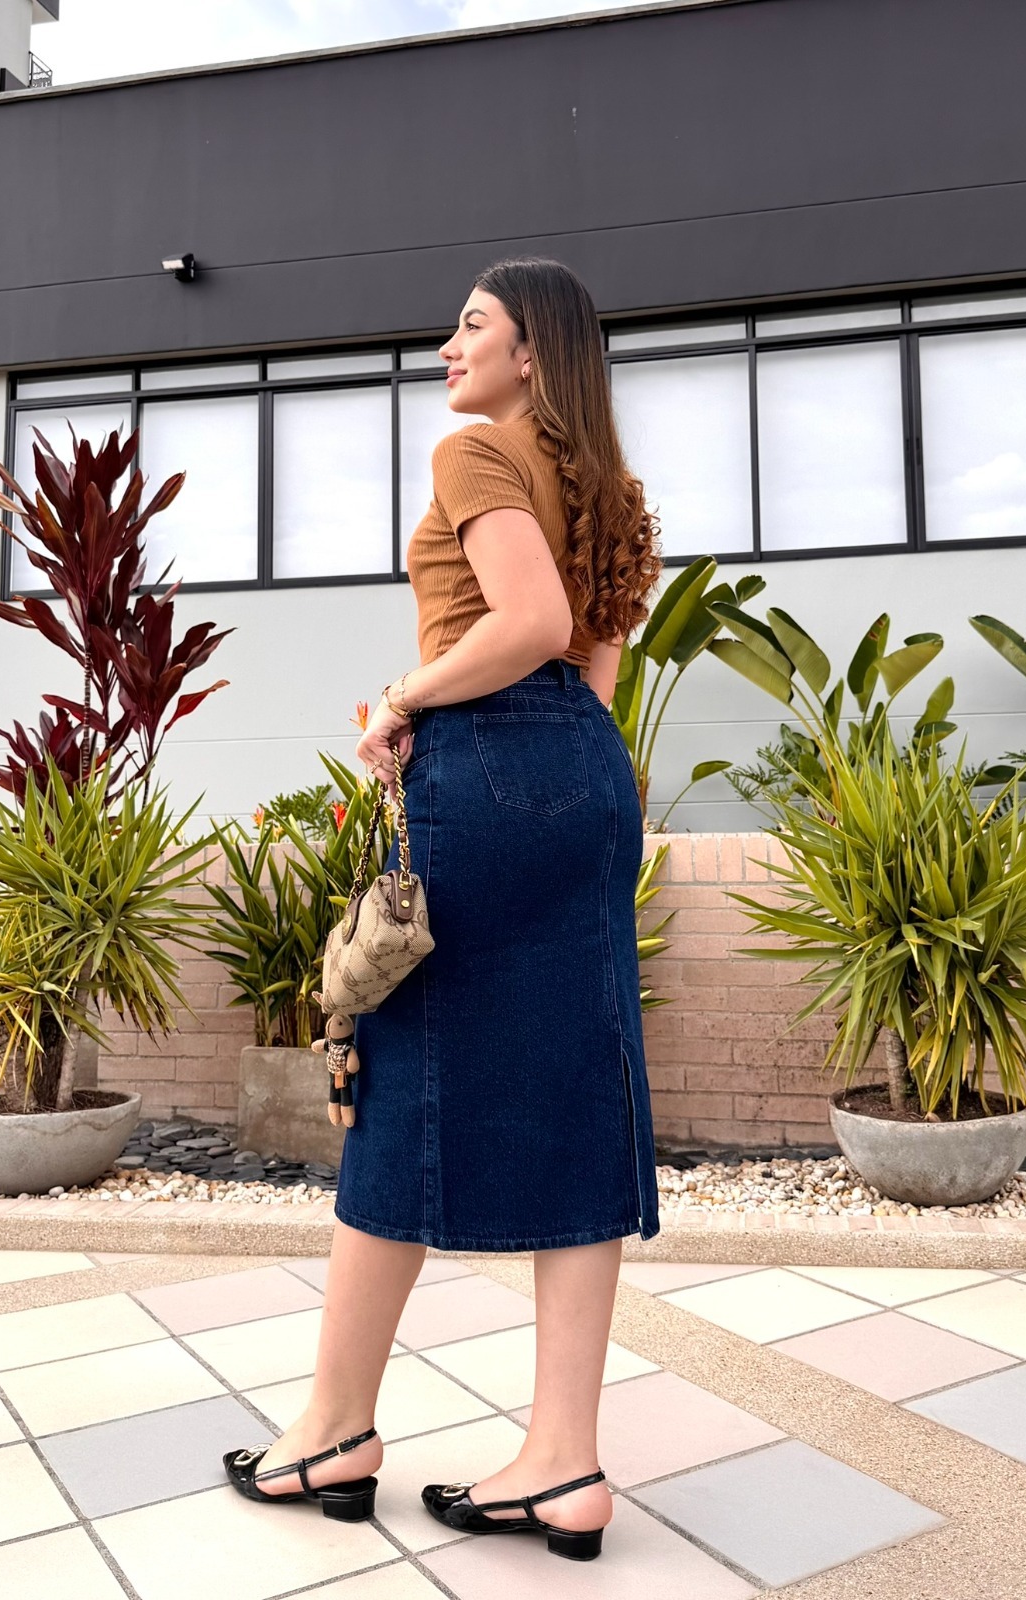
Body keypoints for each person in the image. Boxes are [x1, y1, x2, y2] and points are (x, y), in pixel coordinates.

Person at [224, 256, 664, 1563]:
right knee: (578, 1090)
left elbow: (526, 621)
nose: (446, 349)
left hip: (491, 771)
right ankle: (563, 1463)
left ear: (531, 351)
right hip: (587, 774)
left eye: (471, 327)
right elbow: (589, 667)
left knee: (402, 1073)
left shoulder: (474, 451)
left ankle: (332, 1432)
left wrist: (403, 701)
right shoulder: (608, 484)